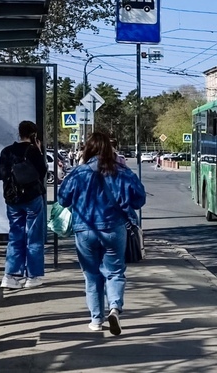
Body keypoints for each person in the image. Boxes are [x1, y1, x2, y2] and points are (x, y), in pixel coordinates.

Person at [58, 132, 146, 335]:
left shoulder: (78, 173)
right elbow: (139, 200)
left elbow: (63, 199)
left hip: (85, 229)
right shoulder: (122, 171)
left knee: (91, 275)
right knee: (115, 272)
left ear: (87, 149)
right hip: (114, 229)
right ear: (110, 149)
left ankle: (96, 320)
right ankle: (114, 309)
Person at [0, 120, 48, 289]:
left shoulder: (7, 151)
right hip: (32, 198)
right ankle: (33, 276)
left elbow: (0, 174)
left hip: (13, 199)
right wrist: (39, 152)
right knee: (34, 236)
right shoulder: (33, 151)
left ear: (19, 133)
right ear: (34, 135)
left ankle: (10, 275)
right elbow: (42, 172)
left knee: (15, 235)